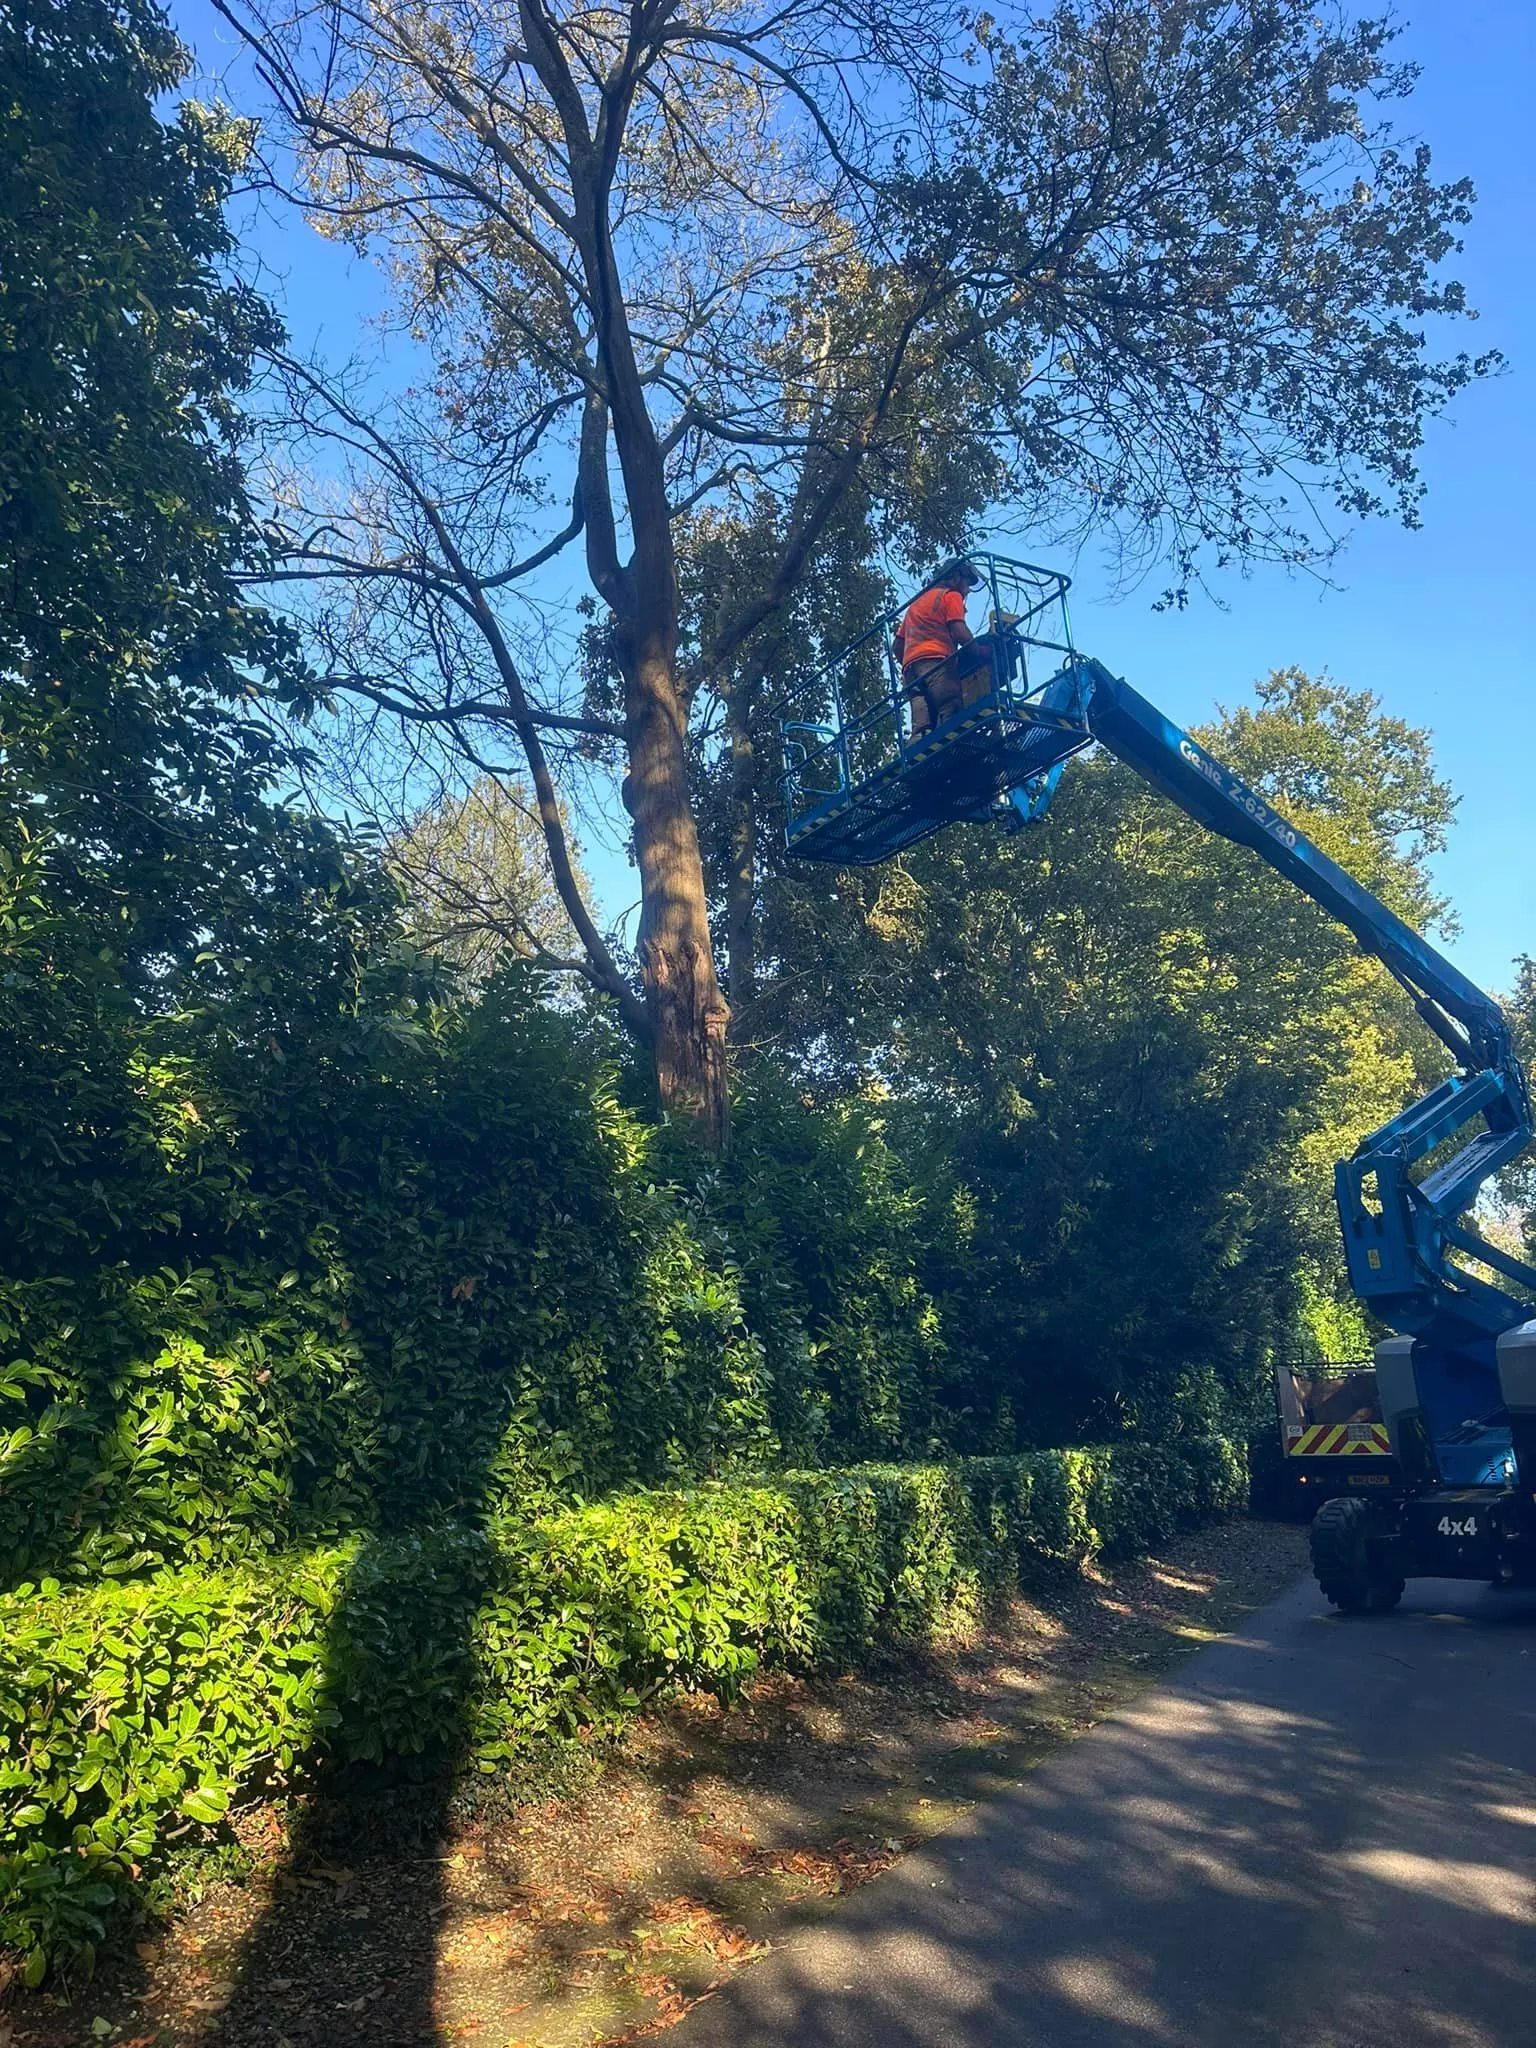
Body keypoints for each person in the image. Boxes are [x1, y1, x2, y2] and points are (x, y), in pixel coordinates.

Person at [893, 558, 988, 740]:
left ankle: (918, 748)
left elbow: (897, 646)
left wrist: (912, 662)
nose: (967, 590)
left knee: (922, 722)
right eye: (967, 583)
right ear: (955, 577)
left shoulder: (917, 604)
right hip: (937, 663)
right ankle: (952, 750)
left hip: (910, 670)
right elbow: (959, 631)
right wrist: (979, 651)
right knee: (950, 707)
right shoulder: (951, 596)